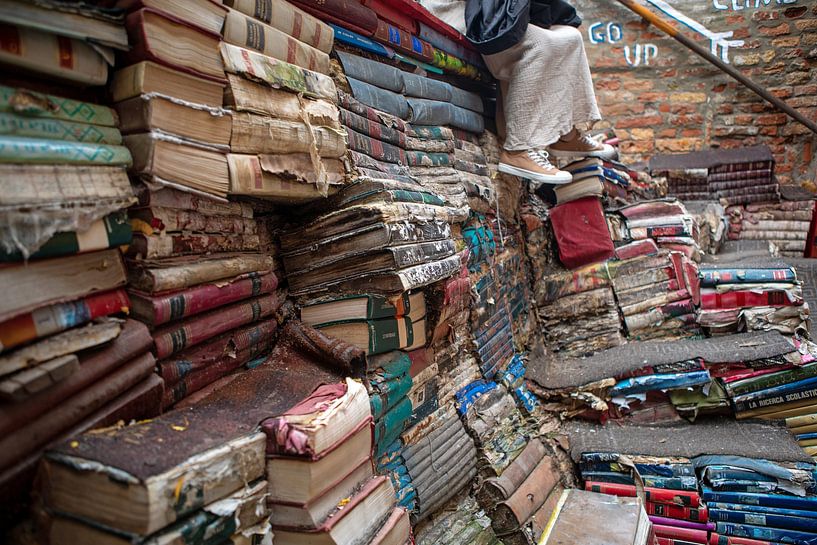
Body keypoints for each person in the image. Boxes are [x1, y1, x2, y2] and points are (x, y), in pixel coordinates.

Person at [422, 0, 615, 184]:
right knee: (542, 44)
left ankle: (566, 135)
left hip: (490, 8)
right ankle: (518, 150)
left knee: (570, 36)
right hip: (459, 11)